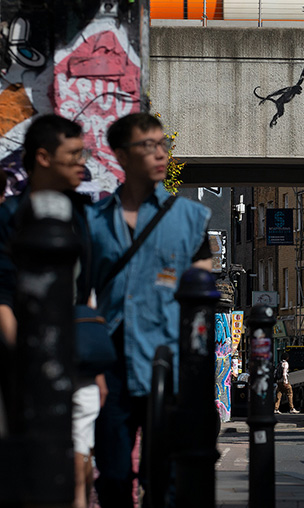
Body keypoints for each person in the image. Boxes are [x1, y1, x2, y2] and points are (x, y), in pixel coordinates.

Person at [87, 112, 212, 507]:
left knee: (168, 478)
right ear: (122, 156)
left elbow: (202, 304)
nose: (161, 154)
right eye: (148, 146)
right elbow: (80, 296)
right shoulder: (93, 221)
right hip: (112, 366)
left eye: (164, 145)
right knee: (113, 475)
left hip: (170, 363)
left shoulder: (191, 219)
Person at [0, 114, 104, 508]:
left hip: (77, 358)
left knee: (79, 465)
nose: (83, 162)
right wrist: (26, 356)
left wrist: (91, 358)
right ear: (43, 158)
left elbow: (86, 289)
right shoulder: (11, 217)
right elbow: (3, 294)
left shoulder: (82, 215)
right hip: (26, 365)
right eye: (73, 154)